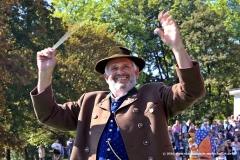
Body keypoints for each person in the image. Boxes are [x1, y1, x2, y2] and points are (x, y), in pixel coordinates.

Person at [30, 10, 205, 159]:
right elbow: (48, 114)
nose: (120, 71)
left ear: (136, 73)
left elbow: (191, 90)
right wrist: (44, 72)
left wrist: (178, 49)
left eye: (126, 66)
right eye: (114, 68)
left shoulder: (155, 94)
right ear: (106, 77)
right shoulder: (88, 102)